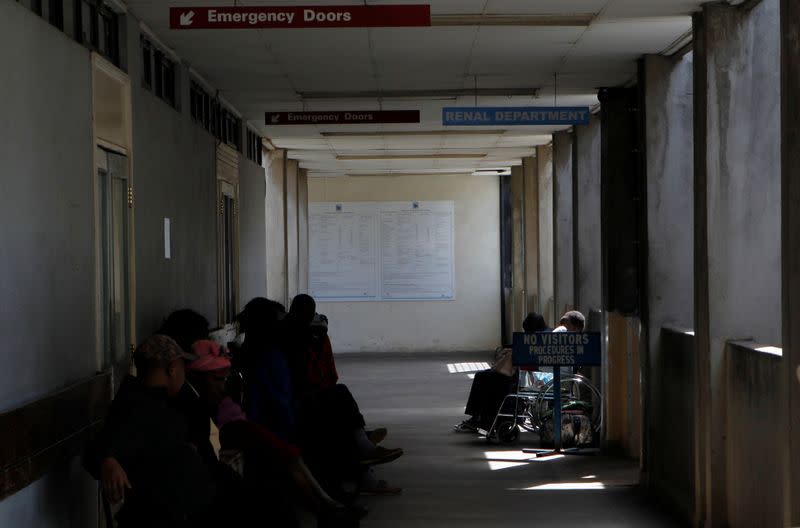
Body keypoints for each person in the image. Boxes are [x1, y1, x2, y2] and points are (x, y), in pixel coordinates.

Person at [186, 339, 364, 528]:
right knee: (284, 463)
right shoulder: (196, 409)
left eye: (224, 380)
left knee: (287, 460)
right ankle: (327, 505)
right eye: (217, 380)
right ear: (197, 377)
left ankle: (328, 504)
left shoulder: (217, 401)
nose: (222, 387)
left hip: (246, 442)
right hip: (231, 458)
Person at [84, 335, 234, 528]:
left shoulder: (158, 401)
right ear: (171, 368)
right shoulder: (138, 405)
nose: (184, 373)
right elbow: (104, 443)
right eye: (182, 366)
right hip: (158, 515)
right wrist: (108, 460)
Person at [454, 312, 549, 433]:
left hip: (529, 376)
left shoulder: (538, 339)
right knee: (483, 376)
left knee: (489, 379)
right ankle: (478, 417)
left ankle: (482, 418)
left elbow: (533, 362)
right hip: (522, 373)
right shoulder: (540, 335)